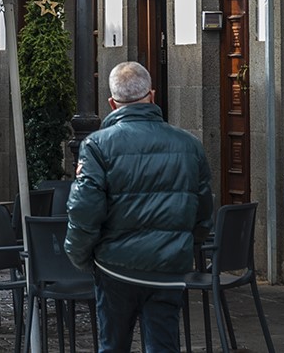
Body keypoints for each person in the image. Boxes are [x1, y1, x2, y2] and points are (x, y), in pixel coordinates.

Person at [66, 61, 212, 353]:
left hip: (115, 267)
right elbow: (203, 209)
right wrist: (180, 245)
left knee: (113, 346)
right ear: (152, 95)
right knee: (163, 345)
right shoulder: (189, 145)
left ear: (111, 103)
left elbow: (84, 210)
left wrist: (80, 256)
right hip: (167, 267)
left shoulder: (96, 145)